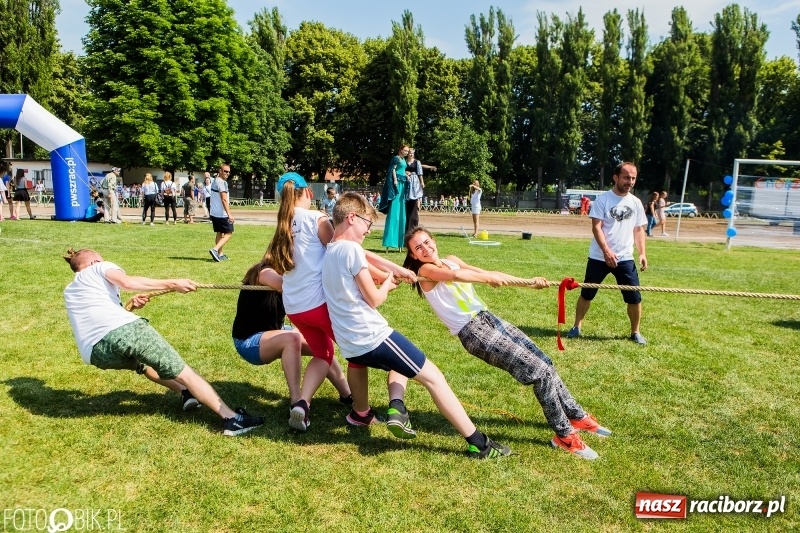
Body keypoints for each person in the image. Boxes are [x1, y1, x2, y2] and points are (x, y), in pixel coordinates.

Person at [321, 193, 511, 458]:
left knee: (402, 362)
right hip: (371, 336)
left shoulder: (331, 249)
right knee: (434, 378)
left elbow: (365, 264)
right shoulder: (351, 249)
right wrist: (387, 283)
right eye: (367, 223)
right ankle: (480, 444)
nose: (368, 230)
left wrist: (393, 274)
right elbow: (375, 299)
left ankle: (385, 409)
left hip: (351, 344)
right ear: (352, 218)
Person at [403, 227, 611, 459]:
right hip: (473, 333)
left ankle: (576, 416)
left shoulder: (450, 260)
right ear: (413, 255)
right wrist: (487, 278)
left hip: (488, 319)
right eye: (418, 247)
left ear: (434, 240)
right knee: (539, 372)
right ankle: (564, 436)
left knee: (545, 363)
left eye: (427, 242)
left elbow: (484, 272)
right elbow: (456, 277)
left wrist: (528, 283)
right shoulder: (425, 270)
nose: (426, 248)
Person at [266, 174, 416, 432]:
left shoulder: (284, 224)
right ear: (309, 193)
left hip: (294, 308)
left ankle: (302, 404)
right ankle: (362, 412)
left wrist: (388, 272)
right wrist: (390, 272)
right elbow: (351, 251)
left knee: (324, 354)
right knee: (356, 350)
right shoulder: (316, 219)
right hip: (317, 305)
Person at [62, 248, 264, 436]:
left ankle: (185, 392)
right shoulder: (99, 267)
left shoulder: (71, 290)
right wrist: (172, 283)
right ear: (94, 261)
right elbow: (128, 283)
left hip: (96, 354)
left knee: (142, 364)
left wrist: (130, 306)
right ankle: (232, 419)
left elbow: (103, 325)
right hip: (125, 331)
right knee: (184, 371)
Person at [232, 257, 353, 411]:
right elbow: (282, 284)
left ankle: (347, 395)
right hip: (248, 341)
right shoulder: (264, 272)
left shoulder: (291, 275)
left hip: (276, 331)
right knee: (292, 338)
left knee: (321, 344)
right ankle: (296, 401)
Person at [566, 161, 649, 345]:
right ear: (616, 177)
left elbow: (638, 230)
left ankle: (635, 332)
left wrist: (642, 253)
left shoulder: (635, 203)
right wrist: (606, 251)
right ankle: (576, 326)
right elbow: (597, 227)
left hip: (625, 257)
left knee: (634, 297)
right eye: (627, 177)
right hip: (599, 256)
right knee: (587, 293)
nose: (630, 181)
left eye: (633, 178)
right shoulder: (603, 200)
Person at [378, 145, 410, 251]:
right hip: (397, 185)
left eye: (407, 151)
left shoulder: (404, 160)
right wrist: (395, 179)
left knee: (402, 214)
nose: (406, 152)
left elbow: (402, 170)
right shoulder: (396, 158)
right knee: (394, 214)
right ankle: (390, 241)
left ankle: (400, 243)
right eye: (405, 150)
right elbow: (392, 169)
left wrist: (406, 174)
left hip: (403, 184)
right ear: (400, 150)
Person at [404, 148, 436, 233]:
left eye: (412, 153)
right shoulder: (404, 162)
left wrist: (422, 182)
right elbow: (400, 170)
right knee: (407, 206)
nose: (411, 154)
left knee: (414, 204)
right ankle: (406, 227)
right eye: (410, 153)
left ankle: (413, 226)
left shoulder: (416, 162)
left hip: (414, 183)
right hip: (406, 183)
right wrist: (405, 172)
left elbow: (420, 172)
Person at [209, 164, 234, 262]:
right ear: (220, 171)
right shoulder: (221, 183)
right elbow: (224, 200)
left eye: (228, 172)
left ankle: (220, 254)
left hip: (214, 213)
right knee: (229, 233)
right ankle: (215, 250)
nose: (227, 173)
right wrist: (229, 214)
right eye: (225, 171)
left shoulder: (215, 181)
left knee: (220, 232)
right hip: (221, 213)